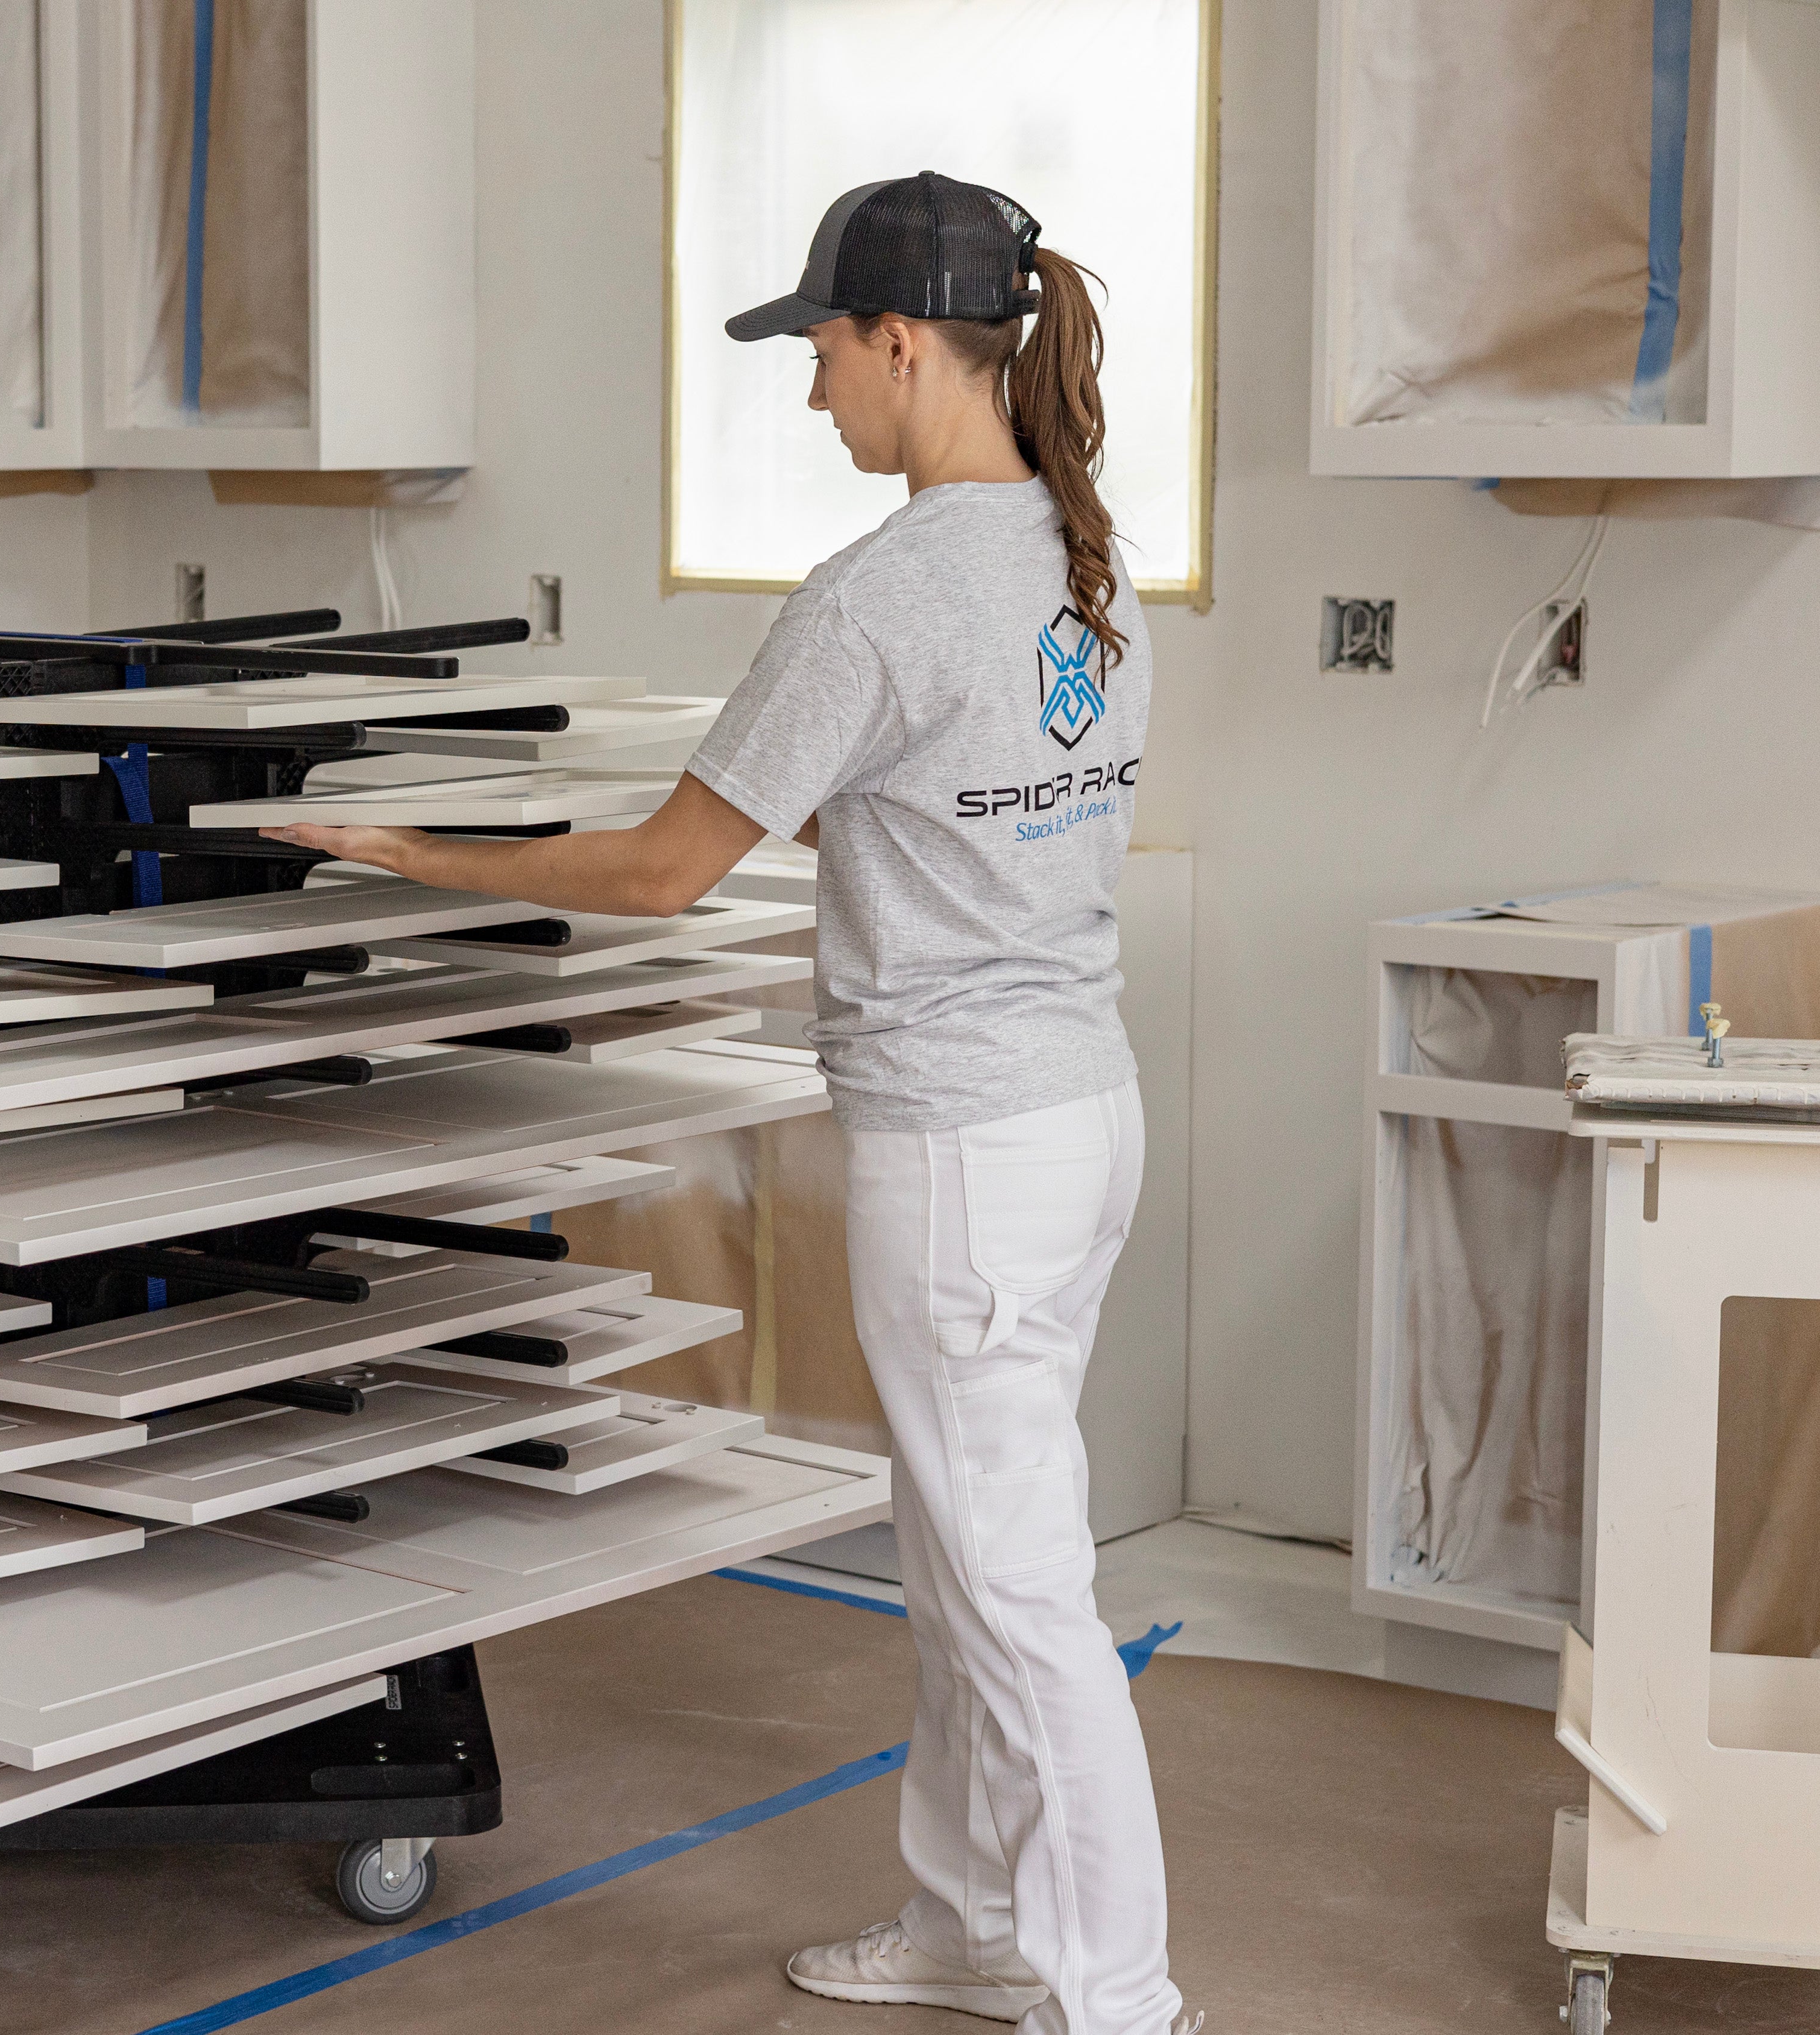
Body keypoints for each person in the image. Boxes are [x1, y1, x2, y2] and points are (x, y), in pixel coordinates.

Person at [260, 172, 1189, 2035]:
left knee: (1018, 1595)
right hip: (1076, 1116)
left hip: (964, 1153)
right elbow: (941, 812)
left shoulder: (879, 596)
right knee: (967, 1560)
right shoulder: (1082, 559)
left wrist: (408, 852)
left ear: (904, 342)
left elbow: (665, 873)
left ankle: (1119, 1999)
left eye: (825, 353)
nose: (813, 393)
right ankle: (965, 1924)